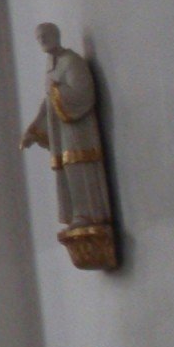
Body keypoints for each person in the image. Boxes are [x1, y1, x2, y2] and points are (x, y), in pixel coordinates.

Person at [19, 22, 117, 267]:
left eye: (45, 35)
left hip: (78, 129)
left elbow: (84, 93)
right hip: (62, 130)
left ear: (56, 35)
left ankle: (90, 214)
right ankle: (78, 213)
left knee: (79, 165)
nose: (42, 40)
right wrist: (34, 128)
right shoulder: (50, 67)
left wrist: (58, 93)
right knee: (67, 168)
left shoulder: (71, 61)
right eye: (38, 37)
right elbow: (47, 102)